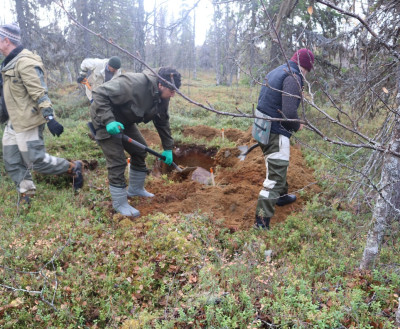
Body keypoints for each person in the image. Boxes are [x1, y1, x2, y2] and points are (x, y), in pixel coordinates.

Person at [0, 23, 84, 204]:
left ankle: (73, 167)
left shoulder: (25, 62)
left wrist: (50, 117)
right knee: (12, 160)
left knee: (36, 161)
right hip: (14, 121)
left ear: (6, 41)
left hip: (28, 121)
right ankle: (27, 193)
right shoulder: (8, 63)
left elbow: (39, 92)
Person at [90, 67, 181, 217]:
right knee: (117, 161)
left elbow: (162, 121)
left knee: (139, 151)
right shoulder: (133, 83)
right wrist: (109, 121)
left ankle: (135, 189)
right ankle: (120, 203)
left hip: (125, 120)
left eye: (175, 91)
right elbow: (99, 93)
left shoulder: (163, 96)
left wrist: (168, 148)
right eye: (171, 91)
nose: (173, 95)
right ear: (160, 85)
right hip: (104, 119)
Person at [254, 48, 314, 229]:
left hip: (260, 126)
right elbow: (288, 112)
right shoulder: (294, 77)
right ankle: (261, 222)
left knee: (278, 164)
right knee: (275, 177)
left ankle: (281, 197)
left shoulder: (279, 70)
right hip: (274, 130)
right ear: (306, 67)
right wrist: (297, 124)